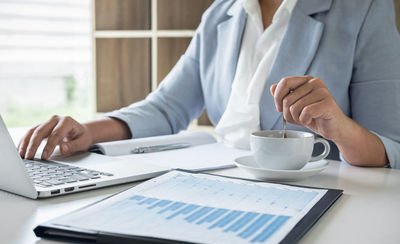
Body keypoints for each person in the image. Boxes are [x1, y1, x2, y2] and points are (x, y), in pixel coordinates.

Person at [18, 0, 400, 169]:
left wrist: (339, 126)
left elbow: (388, 147)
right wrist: (86, 132)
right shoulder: (221, 12)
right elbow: (167, 107)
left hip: (319, 193)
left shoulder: (363, 7)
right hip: (218, 177)